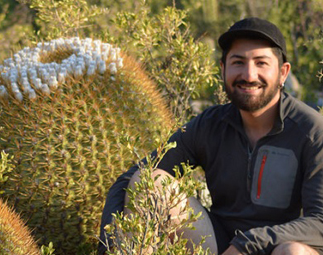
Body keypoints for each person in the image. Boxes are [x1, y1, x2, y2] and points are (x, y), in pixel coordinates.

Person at [98, 17, 323, 255]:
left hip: (277, 246)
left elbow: (320, 222)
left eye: (261, 63)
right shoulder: (210, 124)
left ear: (283, 73)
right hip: (217, 244)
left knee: (293, 252)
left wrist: (245, 244)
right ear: (223, 69)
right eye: (238, 62)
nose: (249, 74)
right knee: (150, 182)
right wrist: (110, 246)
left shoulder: (311, 131)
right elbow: (132, 178)